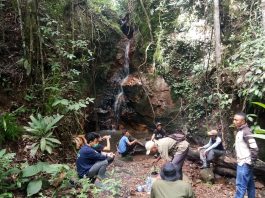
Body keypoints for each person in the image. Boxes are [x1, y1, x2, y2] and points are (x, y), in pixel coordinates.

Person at [233, 112, 258, 198]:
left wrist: (251, 161)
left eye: (236, 120)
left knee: (240, 186)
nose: (234, 121)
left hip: (244, 163)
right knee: (250, 185)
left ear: (243, 121)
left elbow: (254, 148)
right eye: (234, 119)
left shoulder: (246, 132)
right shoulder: (240, 131)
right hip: (244, 162)